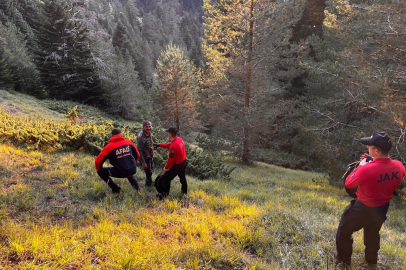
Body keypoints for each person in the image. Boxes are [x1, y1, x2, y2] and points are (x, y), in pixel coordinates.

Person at [335, 132, 405, 268]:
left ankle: (344, 261)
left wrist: (362, 165)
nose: (367, 148)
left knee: (344, 230)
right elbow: (384, 173)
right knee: (373, 233)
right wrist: (372, 160)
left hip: (362, 208)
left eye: (369, 147)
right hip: (382, 207)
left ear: (376, 151)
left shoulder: (365, 170)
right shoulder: (399, 166)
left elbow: (349, 183)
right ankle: (371, 261)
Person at [95, 128, 140, 193]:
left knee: (100, 171)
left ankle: (116, 189)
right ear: (121, 134)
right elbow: (138, 154)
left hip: (121, 171)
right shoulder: (128, 142)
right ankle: (137, 191)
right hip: (132, 169)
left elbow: (98, 161)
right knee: (129, 172)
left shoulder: (109, 147)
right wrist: (132, 164)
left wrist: (99, 169)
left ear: (112, 136)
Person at [153, 126, 188, 198]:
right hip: (184, 162)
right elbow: (170, 144)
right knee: (182, 177)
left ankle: (164, 195)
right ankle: (184, 192)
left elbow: (170, 161)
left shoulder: (174, 146)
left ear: (170, 133)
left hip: (178, 165)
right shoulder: (179, 139)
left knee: (166, 178)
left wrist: (165, 169)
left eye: (168, 132)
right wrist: (159, 145)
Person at [137, 120, 155, 187]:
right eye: (147, 127)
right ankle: (149, 185)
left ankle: (148, 183)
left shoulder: (149, 132)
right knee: (148, 172)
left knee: (150, 171)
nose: (148, 128)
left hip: (150, 155)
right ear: (143, 127)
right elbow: (139, 150)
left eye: (149, 126)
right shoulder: (141, 137)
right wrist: (143, 162)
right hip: (144, 157)